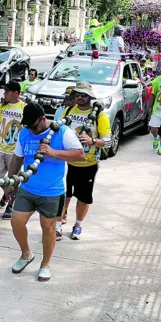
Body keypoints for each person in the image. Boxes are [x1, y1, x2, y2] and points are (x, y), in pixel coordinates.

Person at [7, 103, 84, 281]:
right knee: (16, 222)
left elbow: (80, 154)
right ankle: (26, 254)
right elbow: (17, 158)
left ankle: (45, 264)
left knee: (47, 228)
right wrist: (10, 182)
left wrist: (54, 152)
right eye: (28, 127)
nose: (31, 131)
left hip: (51, 191)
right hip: (27, 188)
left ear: (43, 119)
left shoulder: (62, 132)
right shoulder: (25, 132)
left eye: (34, 126)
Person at [55, 82, 111, 240]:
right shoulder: (68, 110)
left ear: (90, 96)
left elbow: (108, 141)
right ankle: (58, 225)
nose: (79, 97)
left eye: (83, 95)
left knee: (84, 197)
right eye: (77, 94)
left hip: (88, 163)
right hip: (67, 162)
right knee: (62, 194)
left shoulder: (100, 115)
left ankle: (78, 224)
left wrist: (92, 141)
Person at [0, 80, 27, 219]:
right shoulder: (3, 106)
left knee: (13, 178)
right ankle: (7, 192)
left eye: (7, 91)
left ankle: (10, 205)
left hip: (15, 151)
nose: (4, 94)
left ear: (16, 93)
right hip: (0, 147)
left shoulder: (24, 108)